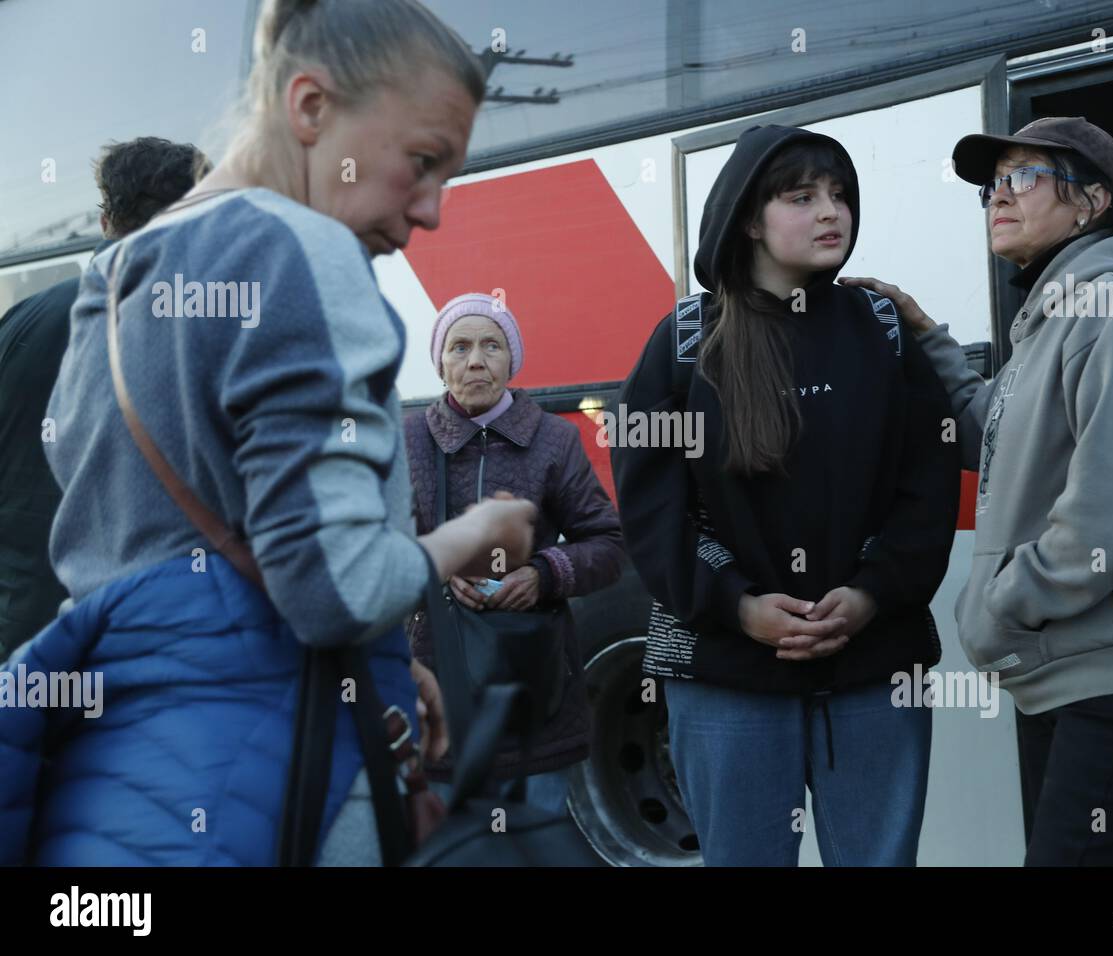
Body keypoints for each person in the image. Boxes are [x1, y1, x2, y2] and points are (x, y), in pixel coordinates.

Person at [0, 0, 529, 866]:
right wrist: (477, 534)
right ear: (312, 108)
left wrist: (388, 664)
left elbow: (131, 546)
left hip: (124, 773)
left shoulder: (117, 274)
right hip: (286, 770)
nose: (433, 209)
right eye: (424, 161)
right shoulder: (305, 250)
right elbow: (334, 590)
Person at [846, 116, 1113, 865]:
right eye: (990, 185)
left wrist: (1005, 600)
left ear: (1091, 202)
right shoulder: (1054, 317)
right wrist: (927, 337)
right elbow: (996, 437)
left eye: (1021, 178)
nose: (996, 198)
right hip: (1070, 672)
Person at [612, 125, 961, 866]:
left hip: (874, 668)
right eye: (802, 197)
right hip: (723, 675)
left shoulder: (883, 330)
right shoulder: (681, 344)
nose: (831, 211)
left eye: (839, 194)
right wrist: (738, 606)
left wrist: (869, 594)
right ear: (749, 218)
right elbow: (650, 513)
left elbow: (928, 490)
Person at [405, 292, 624, 814]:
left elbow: (609, 544)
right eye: (458, 347)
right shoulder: (410, 441)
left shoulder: (555, 439)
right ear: (440, 364)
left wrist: (544, 575)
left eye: (491, 346)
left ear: (512, 360)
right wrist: (438, 569)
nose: (475, 360)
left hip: (534, 695)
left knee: (530, 845)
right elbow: (375, 553)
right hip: (439, 690)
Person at [0, 137, 211, 661]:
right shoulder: (203, 328)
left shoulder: (22, 320)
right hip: (139, 641)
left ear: (105, 219)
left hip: (19, 635)